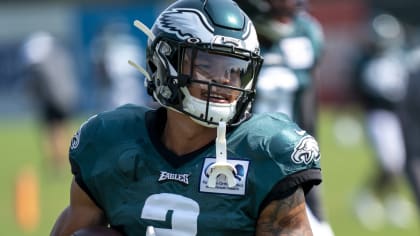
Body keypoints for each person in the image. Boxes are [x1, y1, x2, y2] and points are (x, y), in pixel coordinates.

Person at [50, 0, 322, 235]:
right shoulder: (111, 144)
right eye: (207, 66)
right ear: (163, 62)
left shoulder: (266, 153)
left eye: (234, 69)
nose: (224, 82)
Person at [235, 1, 332, 235]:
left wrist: (310, 149)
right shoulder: (236, 32)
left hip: (290, 155)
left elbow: (307, 98)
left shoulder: (306, 31)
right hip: (243, 156)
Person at [351, 13, 415, 229]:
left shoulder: (397, 58)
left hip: (398, 117)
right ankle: (366, 197)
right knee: (390, 164)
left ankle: (392, 201)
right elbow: (366, 91)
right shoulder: (367, 61)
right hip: (379, 117)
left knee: (397, 163)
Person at [19, 31, 79, 172]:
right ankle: (64, 160)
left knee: (54, 131)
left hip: (54, 99)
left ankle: (59, 162)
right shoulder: (59, 56)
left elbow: (38, 86)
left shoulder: (42, 63)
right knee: (60, 129)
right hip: (61, 98)